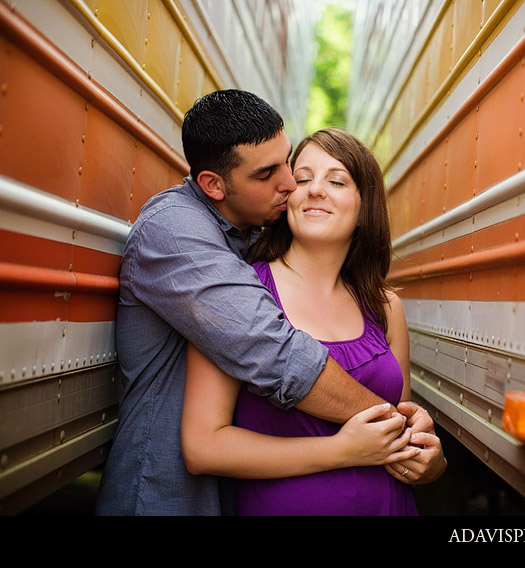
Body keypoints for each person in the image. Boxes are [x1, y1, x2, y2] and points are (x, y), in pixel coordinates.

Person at [95, 90, 444, 516]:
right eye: (274, 174)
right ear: (213, 185)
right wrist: (393, 429)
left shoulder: (374, 301)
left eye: (288, 165)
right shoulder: (180, 237)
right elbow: (273, 354)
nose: (295, 186)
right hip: (165, 495)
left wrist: (426, 456)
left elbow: (411, 439)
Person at [180, 128, 444, 515]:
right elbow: (202, 446)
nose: (314, 190)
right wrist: (340, 451)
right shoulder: (241, 292)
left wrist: (431, 463)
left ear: (363, 207)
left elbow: (400, 428)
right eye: (302, 179)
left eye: (336, 180)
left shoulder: (386, 307)